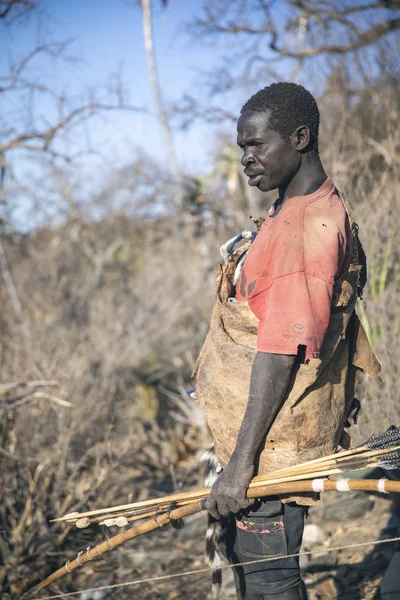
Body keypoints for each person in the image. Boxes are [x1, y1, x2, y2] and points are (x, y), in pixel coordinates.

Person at [194, 83, 381, 599]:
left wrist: (241, 467)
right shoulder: (292, 208)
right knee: (256, 576)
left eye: (257, 145)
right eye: (241, 149)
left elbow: (281, 353)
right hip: (266, 439)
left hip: (275, 446)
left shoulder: (304, 229)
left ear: (300, 138)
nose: (247, 160)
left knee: (271, 582)